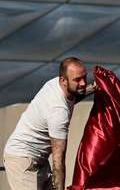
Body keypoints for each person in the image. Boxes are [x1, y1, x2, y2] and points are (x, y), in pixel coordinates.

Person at [3, 57, 89, 190]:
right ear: (63, 80)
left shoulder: (56, 84)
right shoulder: (58, 111)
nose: (83, 83)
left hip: (40, 161)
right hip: (22, 161)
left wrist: (97, 86)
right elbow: (58, 161)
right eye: (77, 80)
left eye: (84, 77)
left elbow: (76, 95)